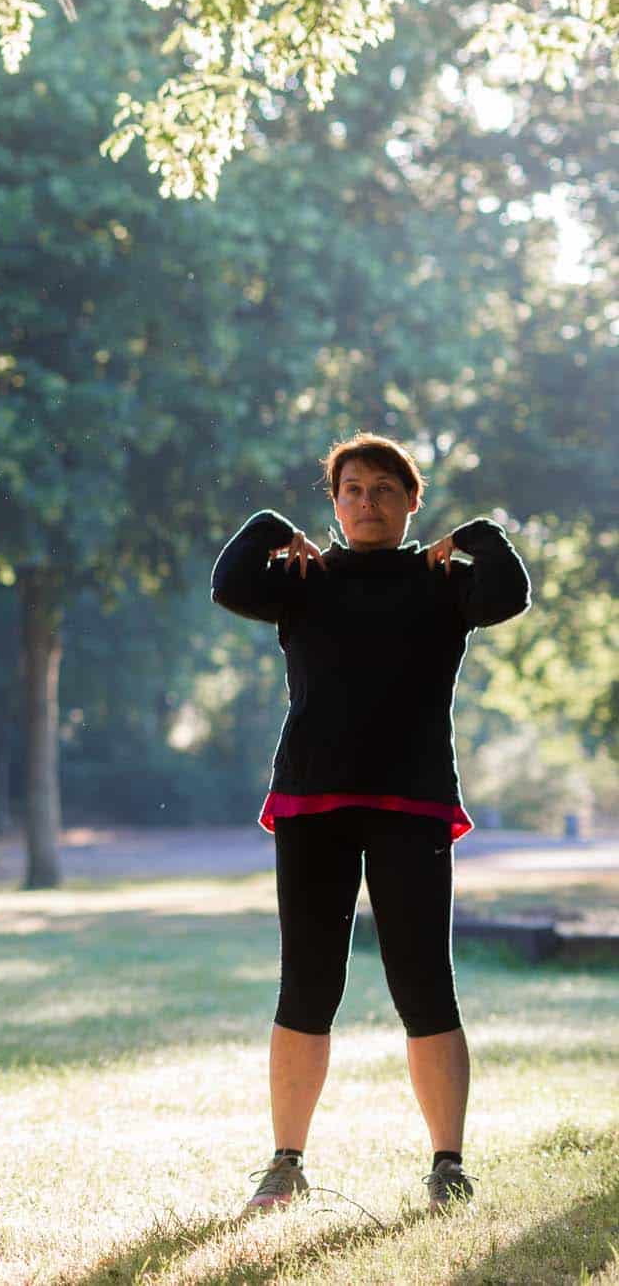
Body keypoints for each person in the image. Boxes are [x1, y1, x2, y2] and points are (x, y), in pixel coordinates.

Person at [212, 432, 529, 1214]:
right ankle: (286, 1162)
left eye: (385, 488)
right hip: (313, 801)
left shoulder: (444, 583)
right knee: (307, 984)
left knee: (425, 985)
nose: (367, 501)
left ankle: (447, 1164)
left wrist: (479, 534)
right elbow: (226, 583)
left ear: (412, 501)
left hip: (411, 800)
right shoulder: (302, 579)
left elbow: (510, 591)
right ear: (334, 502)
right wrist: (266, 525)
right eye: (352, 488)